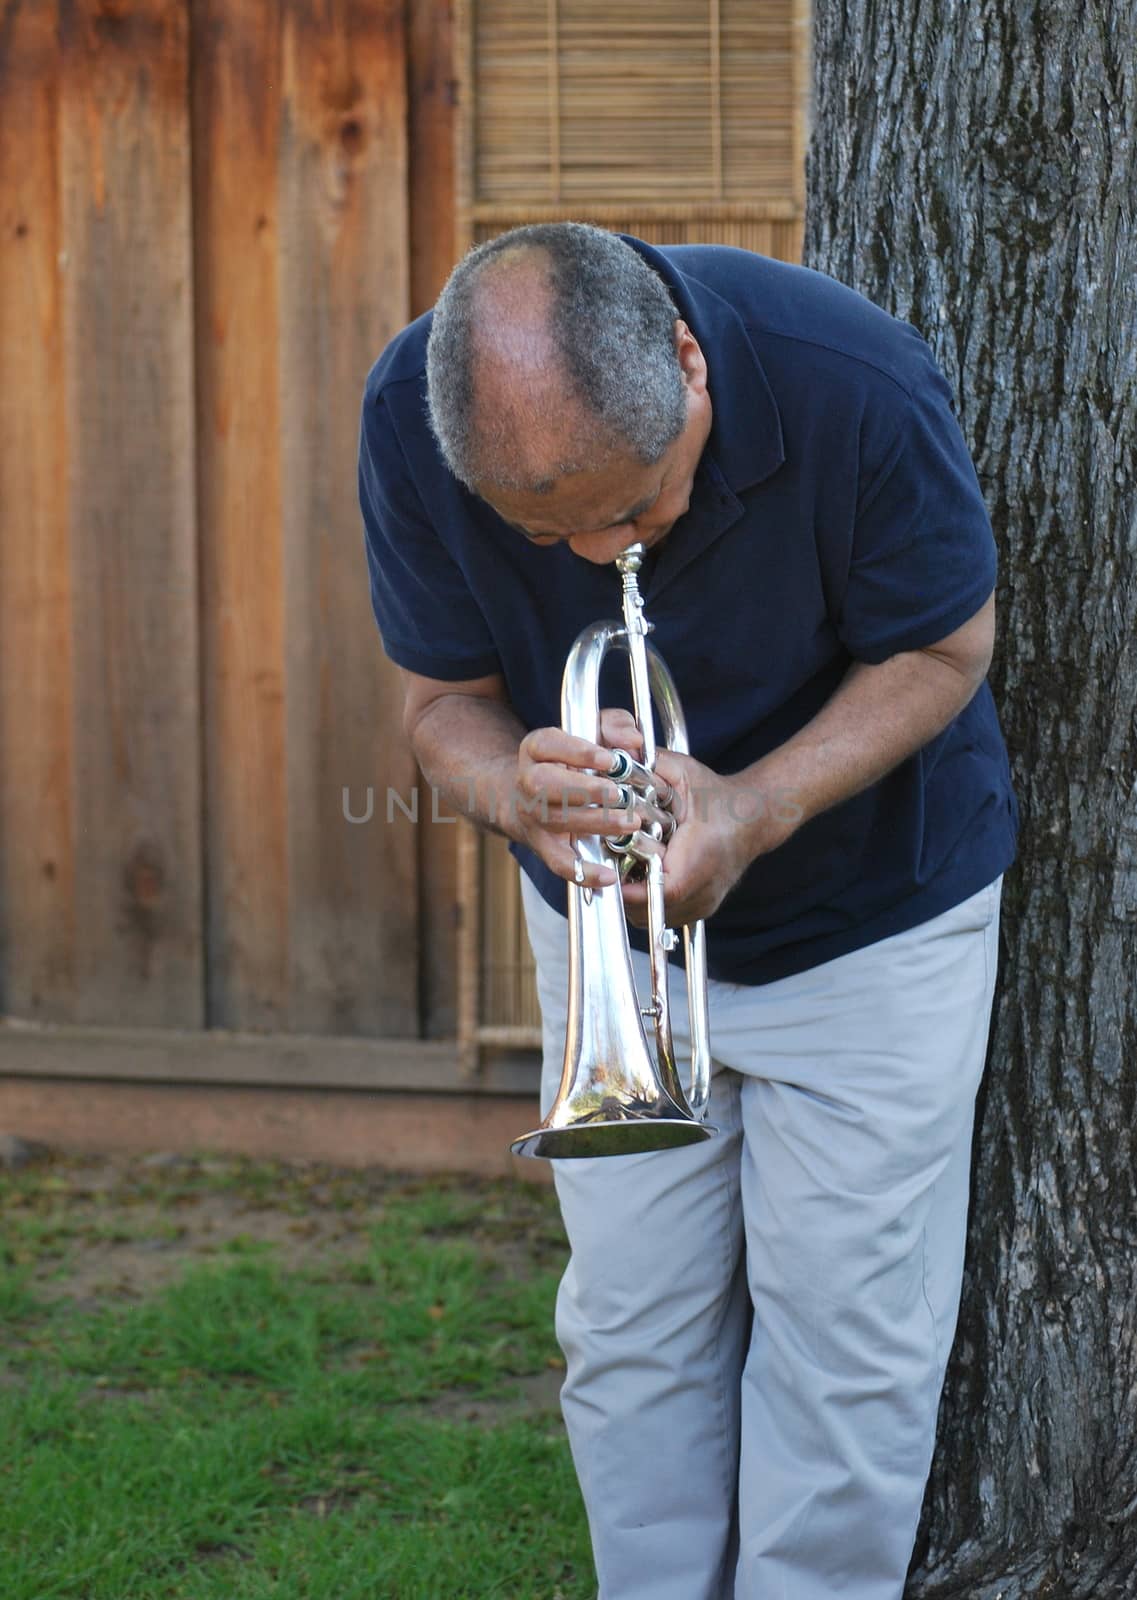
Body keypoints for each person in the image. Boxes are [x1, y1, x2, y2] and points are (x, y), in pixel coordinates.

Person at [357, 223, 1017, 1600]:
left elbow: (944, 647)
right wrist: (514, 794)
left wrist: (754, 808)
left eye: (633, 510)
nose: (599, 556)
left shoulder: (852, 382)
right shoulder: (416, 411)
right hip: (612, 930)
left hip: (869, 921)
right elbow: (440, 708)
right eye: (548, 536)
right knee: (630, 1329)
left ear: (688, 365)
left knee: (843, 1349)